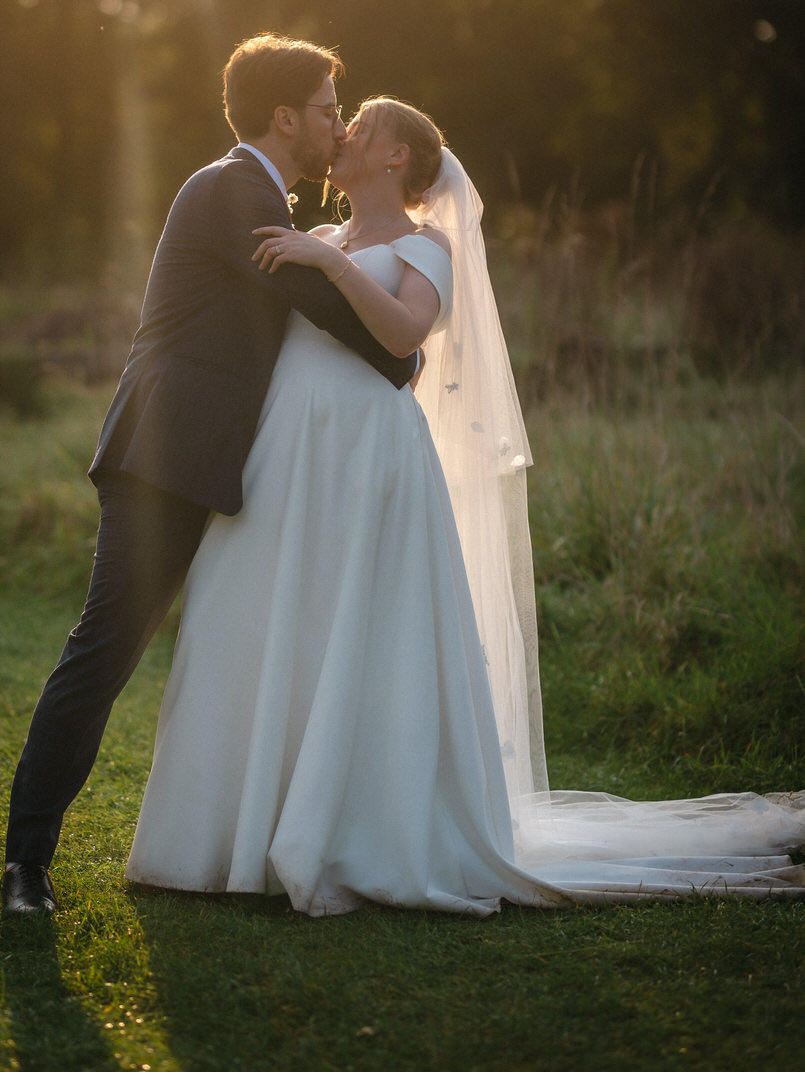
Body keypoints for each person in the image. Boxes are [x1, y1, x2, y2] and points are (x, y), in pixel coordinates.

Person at [125, 97, 805, 914]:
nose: (341, 134)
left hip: (367, 451)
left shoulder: (425, 244)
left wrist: (333, 267)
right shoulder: (320, 234)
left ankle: (346, 825)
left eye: (361, 127)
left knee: (359, 628)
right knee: (262, 615)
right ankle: (231, 831)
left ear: (395, 160)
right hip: (288, 445)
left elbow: (405, 338)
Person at [2, 38, 419, 915]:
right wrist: (400, 362)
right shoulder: (233, 191)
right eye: (326, 107)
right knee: (105, 650)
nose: (336, 123)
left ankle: (274, 836)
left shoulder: (265, 200)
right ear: (284, 119)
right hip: (166, 458)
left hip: (220, 463)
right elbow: (325, 311)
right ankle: (24, 865)